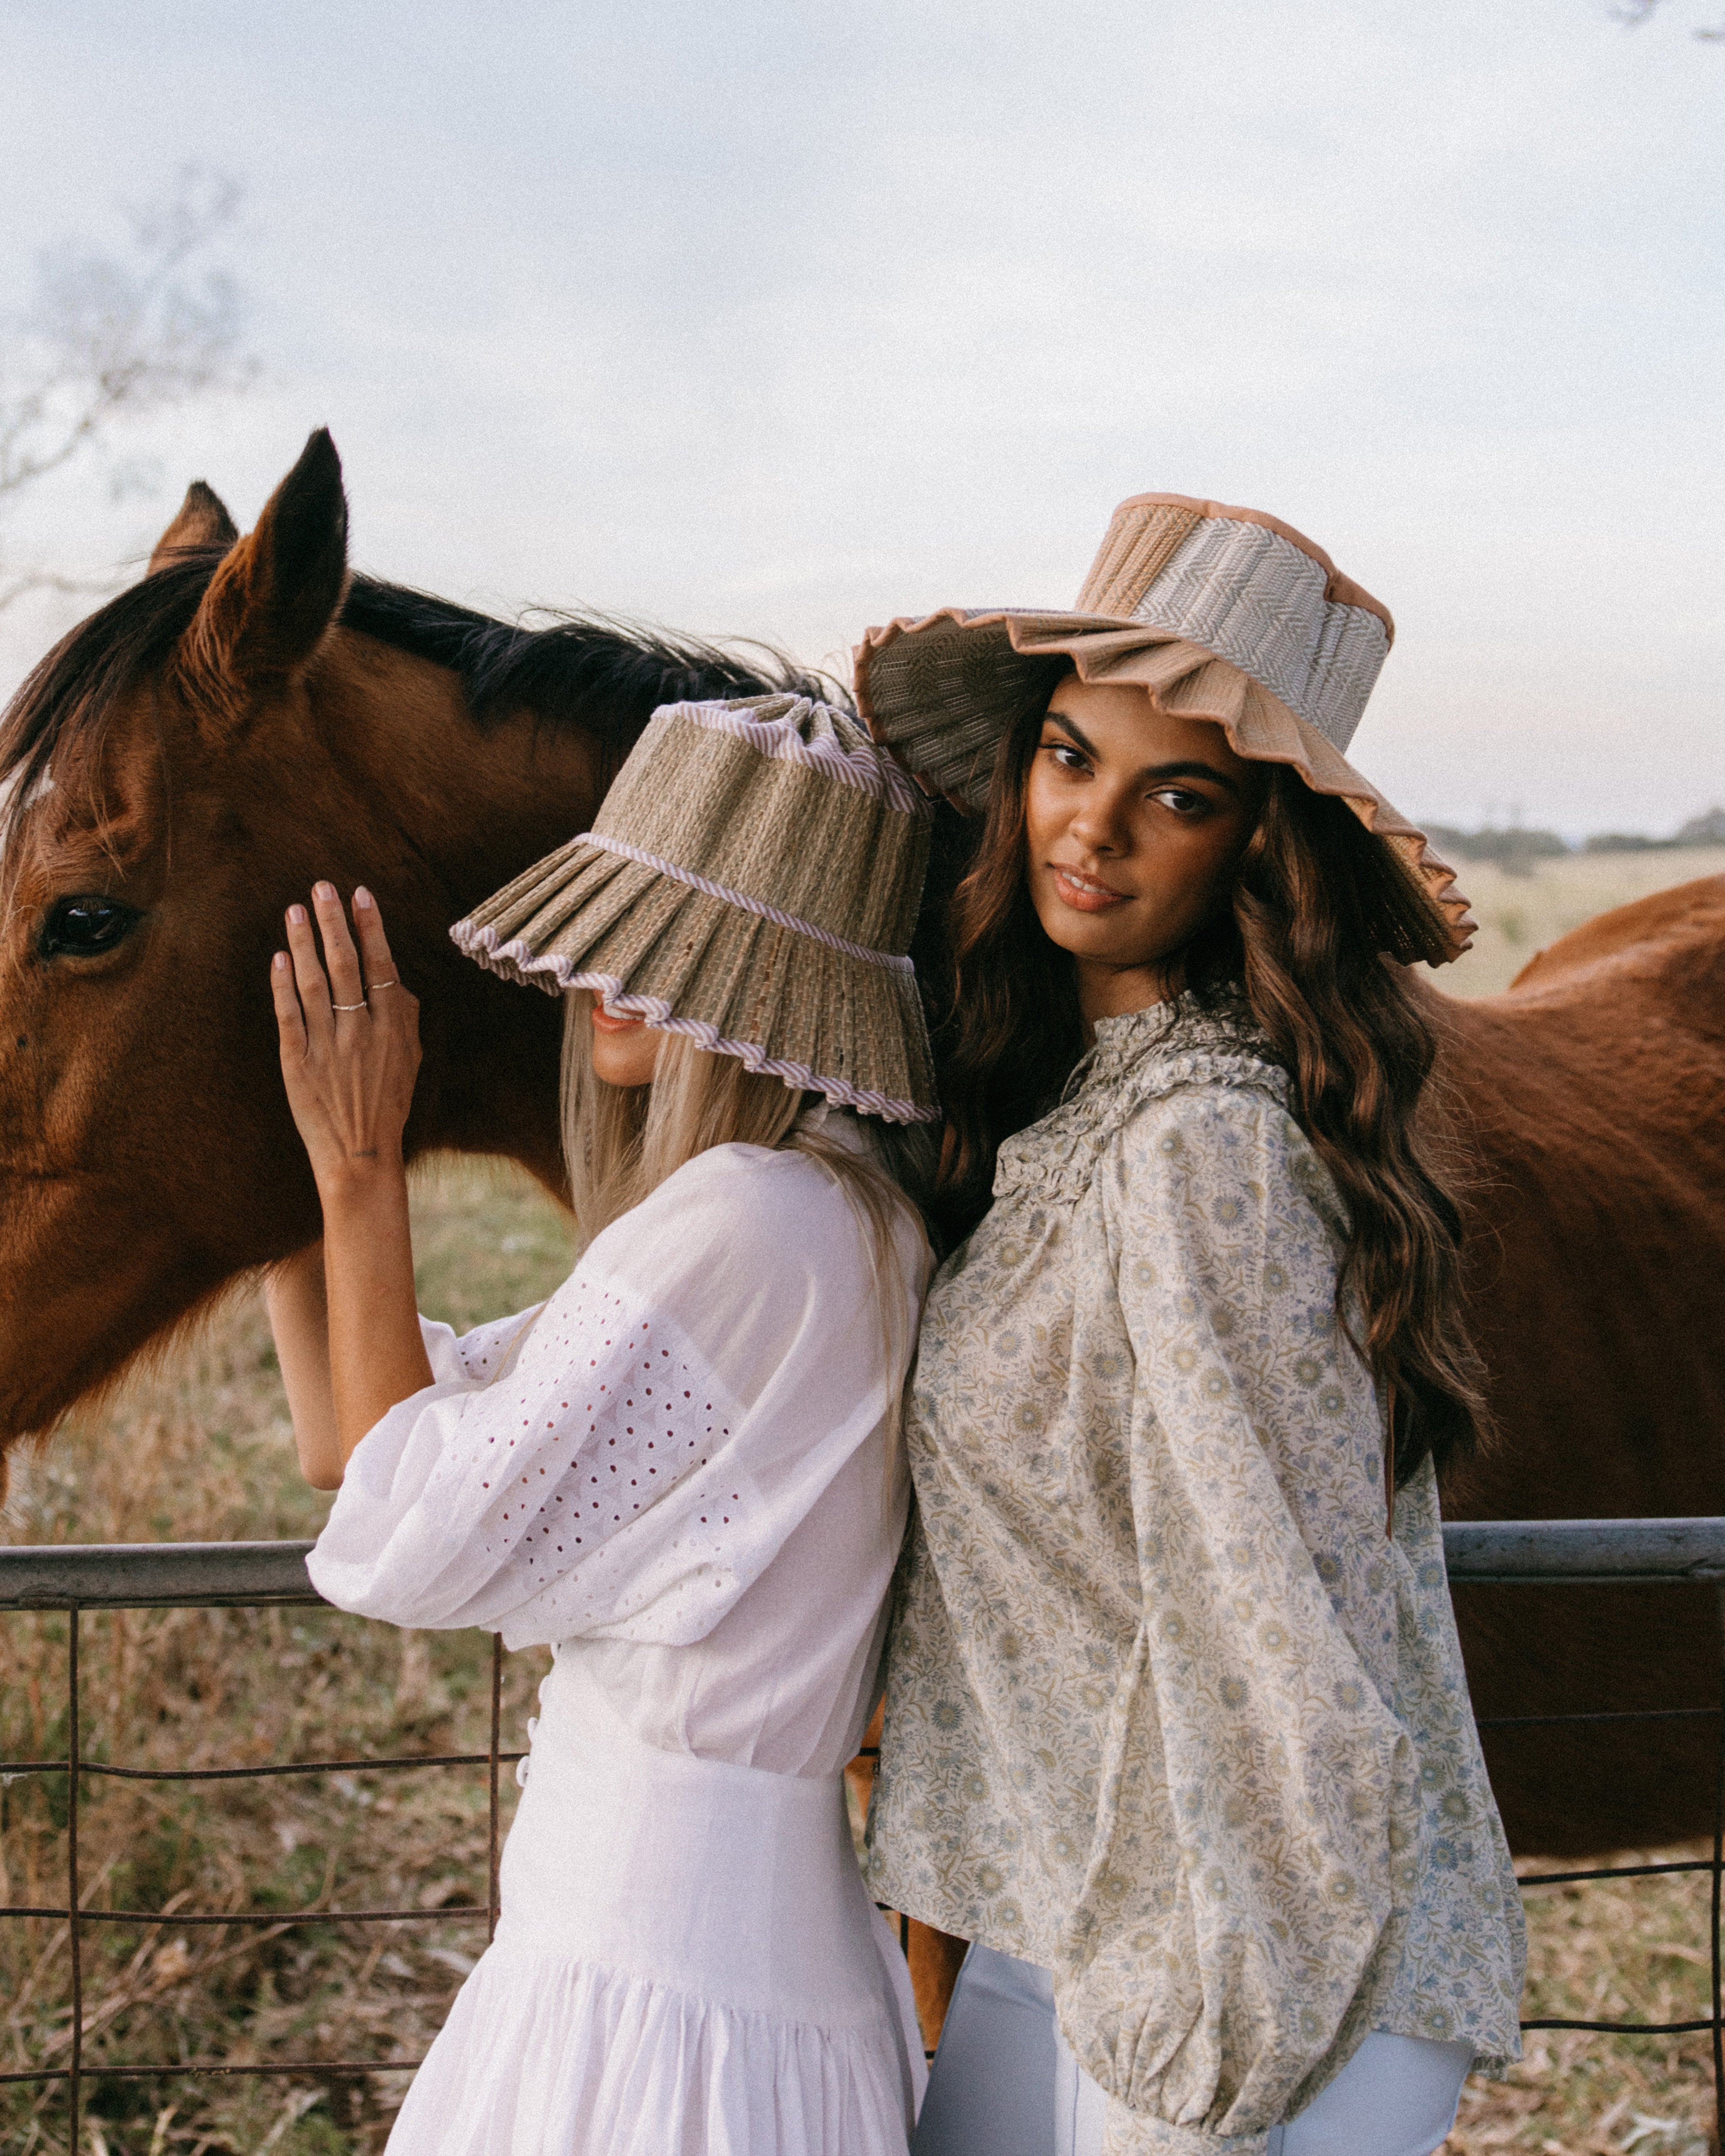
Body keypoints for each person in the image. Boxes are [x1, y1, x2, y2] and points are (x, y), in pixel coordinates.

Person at [855, 495, 1526, 2156]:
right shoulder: (1081, 1106)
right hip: (1083, 1912)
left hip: (1259, 1970)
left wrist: (1215, 2050)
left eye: (1177, 794)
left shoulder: (1203, 1146)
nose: (1092, 827)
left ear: (1256, 848)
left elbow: (1281, 1639)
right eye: (1068, 757)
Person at [262, 692, 941, 2156]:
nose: (610, 977)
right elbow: (354, 1440)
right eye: (616, 926)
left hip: (653, 2010)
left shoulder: (743, 1223)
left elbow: (401, 1529)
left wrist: (365, 1167)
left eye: (672, 941)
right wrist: (285, 1164)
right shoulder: (838, 1216)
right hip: (716, 1981)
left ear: (768, 988)